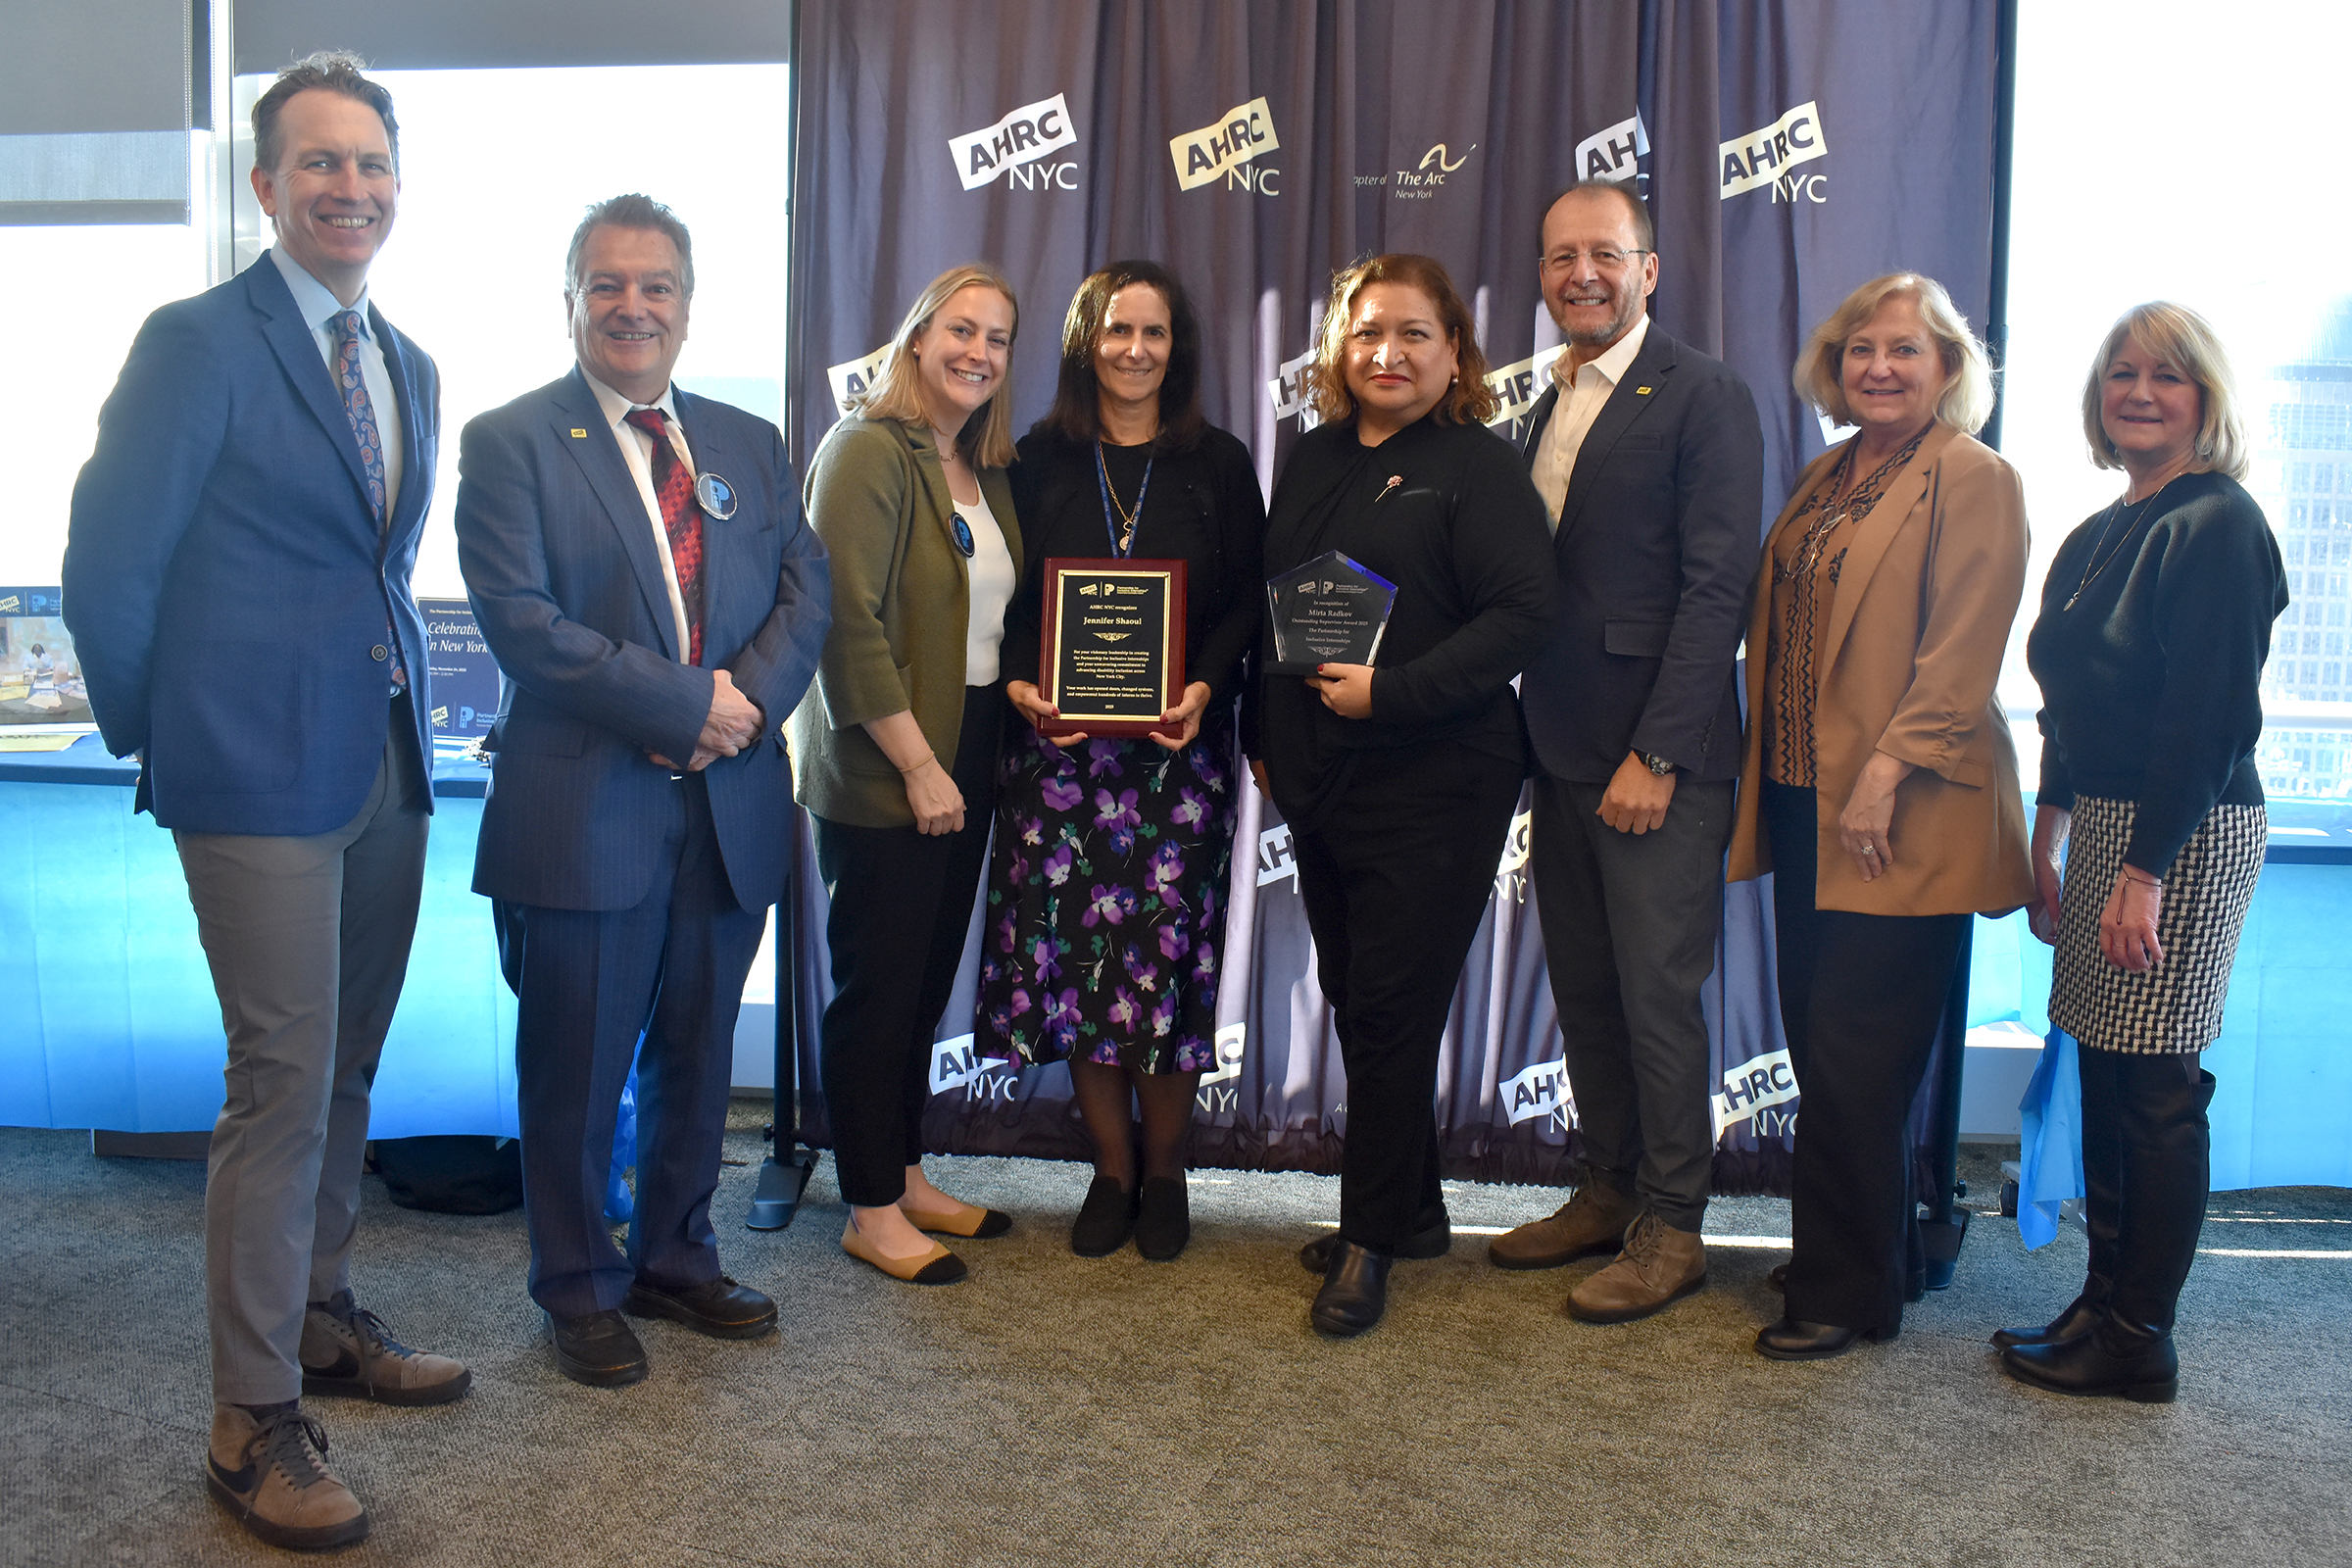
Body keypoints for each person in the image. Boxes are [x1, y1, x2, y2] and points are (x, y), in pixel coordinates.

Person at [62, 52, 463, 1551]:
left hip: (383, 762)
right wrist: (169, 734)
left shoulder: (409, 360)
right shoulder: (197, 341)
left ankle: (318, 1321)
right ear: (264, 185)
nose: (348, 188)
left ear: (397, 186)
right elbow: (111, 560)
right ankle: (250, 1419)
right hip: (251, 771)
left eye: (371, 164)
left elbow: (375, 569)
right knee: (280, 1085)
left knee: (347, 1071)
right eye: (319, 164)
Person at [456, 195, 830, 1387]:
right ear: (570, 300)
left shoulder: (747, 441)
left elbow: (803, 592)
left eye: (656, 285)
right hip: (585, 811)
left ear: (685, 301)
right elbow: (523, 625)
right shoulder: (511, 441)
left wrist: (744, 708)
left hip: (729, 803)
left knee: (697, 1049)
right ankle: (577, 1283)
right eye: (607, 285)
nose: (633, 306)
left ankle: (675, 1253)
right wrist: (687, 707)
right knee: (574, 1065)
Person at [1726, 272, 2034, 1360]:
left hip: (1901, 809)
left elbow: (1961, 653)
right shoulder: (1827, 474)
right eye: (1861, 348)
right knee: (1825, 1041)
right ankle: (1866, 1249)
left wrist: (1884, 771)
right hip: (1810, 801)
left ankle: (1845, 1293)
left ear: (1949, 367)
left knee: (1860, 1058)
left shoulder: (1974, 477)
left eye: (1906, 349)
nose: (1880, 366)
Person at [1248, 254, 1556, 1337]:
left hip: (1439, 782)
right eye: (1369, 332)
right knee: (1365, 999)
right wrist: (1261, 731)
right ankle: (1411, 1207)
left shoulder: (1479, 465)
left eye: (1415, 334)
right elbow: (1274, 607)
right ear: (1339, 348)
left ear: (1456, 353)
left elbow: (1524, 615)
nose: (1388, 353)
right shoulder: (1314, 455)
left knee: (1387, 1008)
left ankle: (1369, 1240)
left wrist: (1396, 693)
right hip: (1323, 781)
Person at [1997, 303, 2284, 1403]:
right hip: (2109, 822)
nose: (2140, 392)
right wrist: (2049, 836)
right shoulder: (2101, 527)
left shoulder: (2215, 521)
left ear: (2205, 398)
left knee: (2157, 1083)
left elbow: (2206, 718)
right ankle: (2102, 1299)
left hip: (2188, 825)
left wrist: (2146, 867)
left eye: (2168, 376)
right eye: (2121, 373)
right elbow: (2071, 706)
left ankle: (2139, 1338)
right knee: (2108, 1072)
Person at [1490, 179, 1765, 1323]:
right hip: (1559, 752)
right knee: (1589, 992)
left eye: (1605, 254)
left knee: (1658, 1001)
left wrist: (1657, 753)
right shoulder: (1535, 410)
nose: (1582, 275)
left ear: (1648, 270)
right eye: (1562, 258)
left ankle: (1673, 1225)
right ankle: (1606, 1189)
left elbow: (1717, 593)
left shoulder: (1704, 395)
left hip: (1658, 763)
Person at [978, 261, 1264, 1262]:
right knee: (1082, 974)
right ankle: (1110, 1167)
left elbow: (1244, 605)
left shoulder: (1219, 464)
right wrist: (1020, 681)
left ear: (1176, 347)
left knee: (1166, 971)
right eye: (1116, 330)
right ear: (1084, 342)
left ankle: (1169, 1168)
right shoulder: (1034, 460)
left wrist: (1204, 688)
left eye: (1154, 332)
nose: (1135, 350)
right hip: (1058, 760)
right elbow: (1007, 604)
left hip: (1177, 760)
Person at [791, 265, 1025, 1286]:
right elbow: (848, 624)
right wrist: (920, 765)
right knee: (879, 987)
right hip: (889, 754)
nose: (977, 351)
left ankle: (907, 1169)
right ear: (918, 337)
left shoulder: (978, 464)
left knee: (926, 978)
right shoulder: (865, 450)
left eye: (998, 338)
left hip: (968, 740)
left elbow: (977, 625)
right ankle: (868, 1207)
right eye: (961, 329)